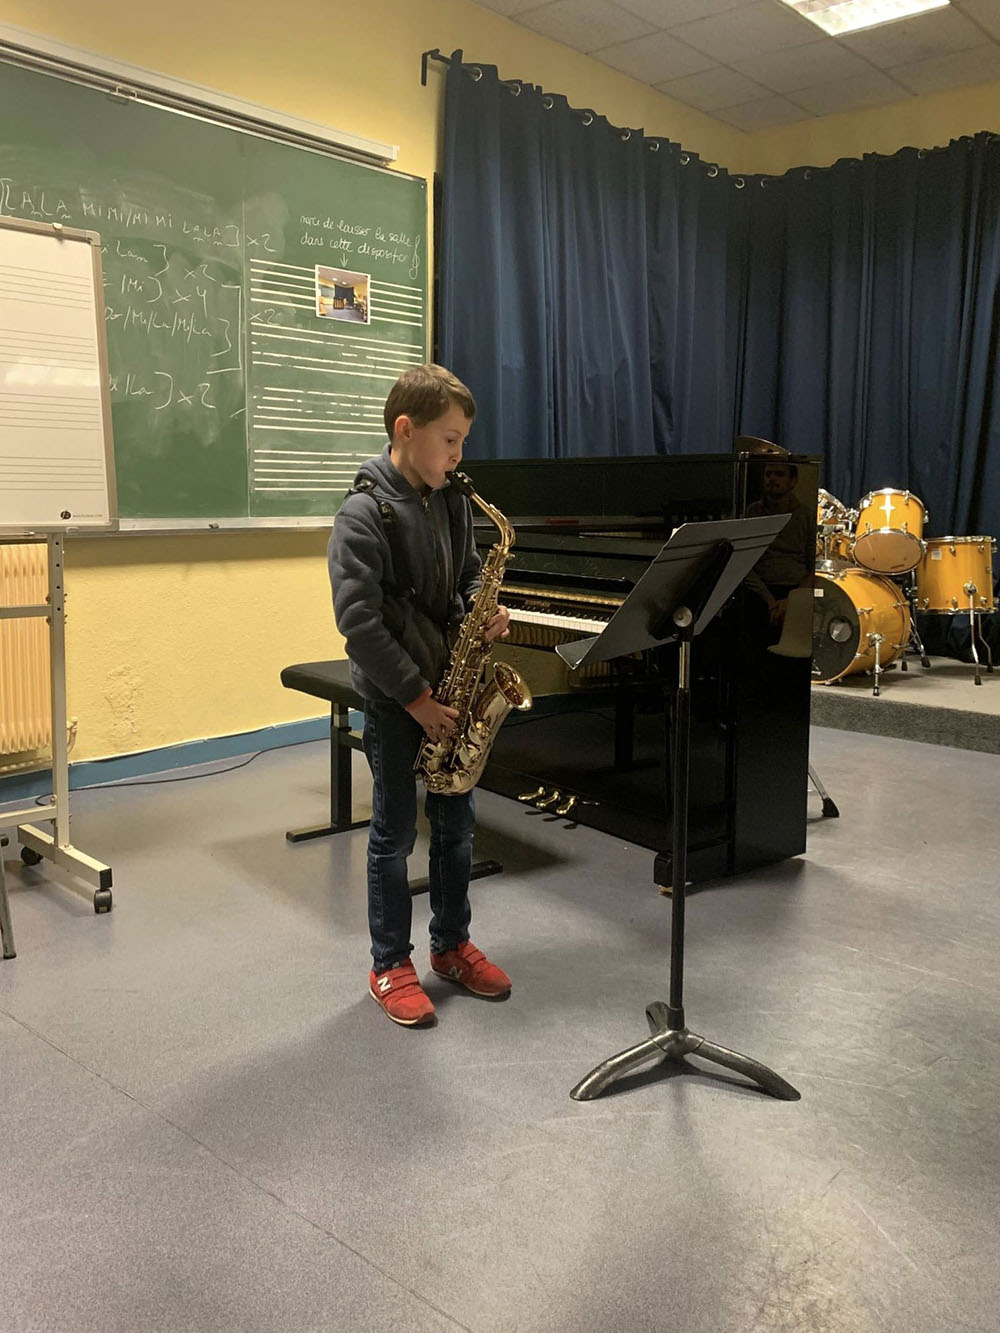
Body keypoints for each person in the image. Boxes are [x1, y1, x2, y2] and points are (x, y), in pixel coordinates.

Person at [328, 364, 511, 1027]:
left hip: (450, 695)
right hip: (397, 701)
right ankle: (389, 963)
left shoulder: (452, 500)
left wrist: (483, 610)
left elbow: (467, 576)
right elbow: (359, 624)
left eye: (462, 442)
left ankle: (451, 945)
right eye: (450, 440)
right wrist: (417, 700)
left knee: (457, 829)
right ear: (406, 430)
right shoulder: (362, 514)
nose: (459, 457)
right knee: (395, 833)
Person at [744, 461, 814, 628]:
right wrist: (770, 602)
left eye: (779, 474)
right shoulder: (752, 513)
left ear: (793, 481)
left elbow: (814, 566)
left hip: (796, 589)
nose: (772, 479)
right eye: (768, 474)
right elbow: (744, 564)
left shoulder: (806, 515)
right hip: (759, 592)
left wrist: (792, 600)